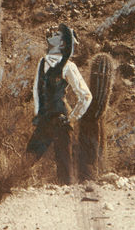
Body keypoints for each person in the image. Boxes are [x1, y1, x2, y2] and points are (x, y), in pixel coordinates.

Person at [26, 23, 92, 184]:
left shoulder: (69, 66)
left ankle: (66, 195)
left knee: (64, 162)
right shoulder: (42, 63)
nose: (51, 35)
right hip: (46, 117)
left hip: (61, 118)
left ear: (62, 43)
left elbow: (85, 95)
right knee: (29, 157)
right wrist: (38, 113)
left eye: (57, 34)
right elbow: (36, 90)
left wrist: (72, 117)